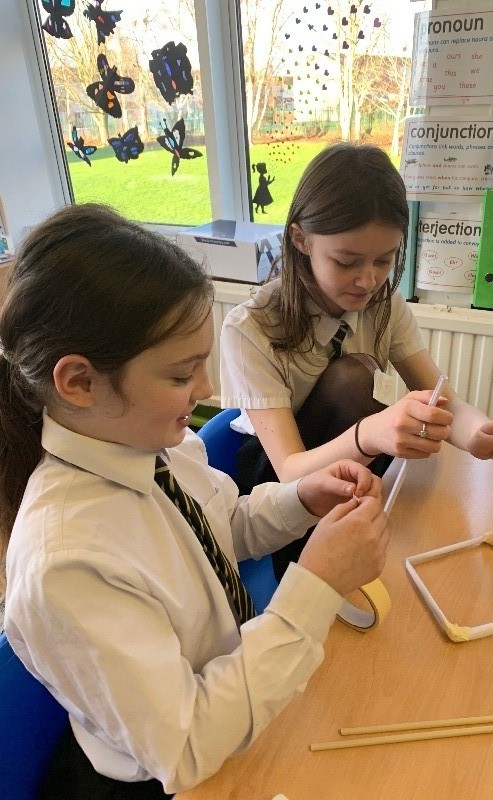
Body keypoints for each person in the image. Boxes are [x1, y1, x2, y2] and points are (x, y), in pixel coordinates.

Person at [0, 203, 388, 798]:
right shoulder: (67, 564)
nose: (207, 389)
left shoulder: (157, 445)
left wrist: (301, 500)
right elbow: (184, 748)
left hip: (234, 700)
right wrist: (318, 584)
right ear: (78, 383)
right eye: (181, 376)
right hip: (172, 773)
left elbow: (220, 528)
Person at [219, 142, 493, 581]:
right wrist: (369, 435)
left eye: (385, 260)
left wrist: (482, 436)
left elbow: (443, 399)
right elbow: (290, 471)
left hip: (357, 465)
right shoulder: (251, 328)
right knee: (351, 378)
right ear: (301, 239)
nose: (368, 280)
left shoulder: (384, 304)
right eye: (346, 261)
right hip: (281, 484)